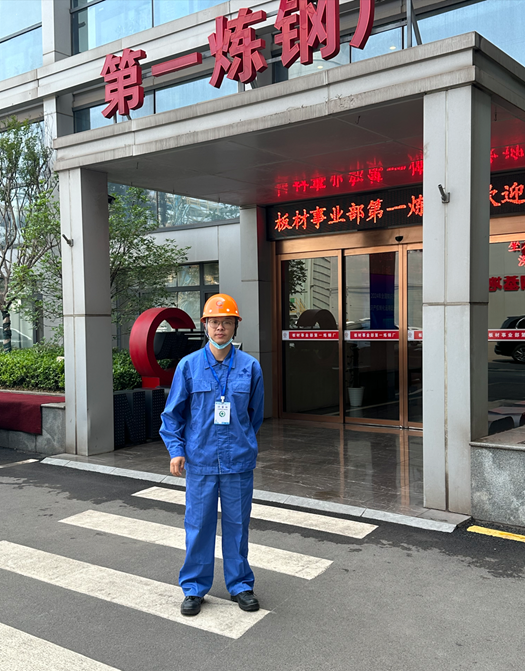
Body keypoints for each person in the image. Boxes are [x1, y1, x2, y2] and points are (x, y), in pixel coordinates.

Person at [160, 293, 265, 617]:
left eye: (227, 322)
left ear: (235, 326)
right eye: (214, 322)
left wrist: (241, 441)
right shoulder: (189, 366)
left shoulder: (250, 367)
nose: (220, 327)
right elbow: (172, 415)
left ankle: (240, 585)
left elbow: (255, 415)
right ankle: (194, 588)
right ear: (205, 325)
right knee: (198, 525)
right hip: (201, 460)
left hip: (238, 461)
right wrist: (177, 450)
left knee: (238, 525)